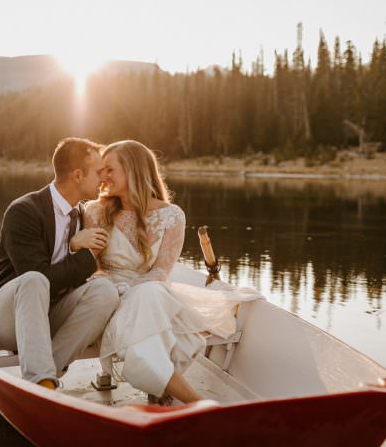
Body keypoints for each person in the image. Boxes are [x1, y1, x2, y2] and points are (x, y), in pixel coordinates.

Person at [84, 140, 261, 404]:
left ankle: (165, 385)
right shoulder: (95, 212)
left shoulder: (172, 216)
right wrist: (117, 291)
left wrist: (132, 292)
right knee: (150, 308)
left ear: (133, 170)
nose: (103, 176)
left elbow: (162, 271)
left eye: (110, 169)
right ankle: (191, 400)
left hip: (151, 293)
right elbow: (91, 267)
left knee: (149, 294)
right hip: (109, 296)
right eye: (102, 170)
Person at [0, 137, 120, 390]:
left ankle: (45, 378)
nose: (103, 178)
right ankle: (42, 380)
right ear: (78, 175)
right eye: (98, 172)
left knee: (105, 292)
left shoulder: (81, 214)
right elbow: (38, 275)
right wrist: (80, 252)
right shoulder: (24, 211)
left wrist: (77, 250)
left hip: (50, 312)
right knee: (34, 280)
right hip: (9, 316)